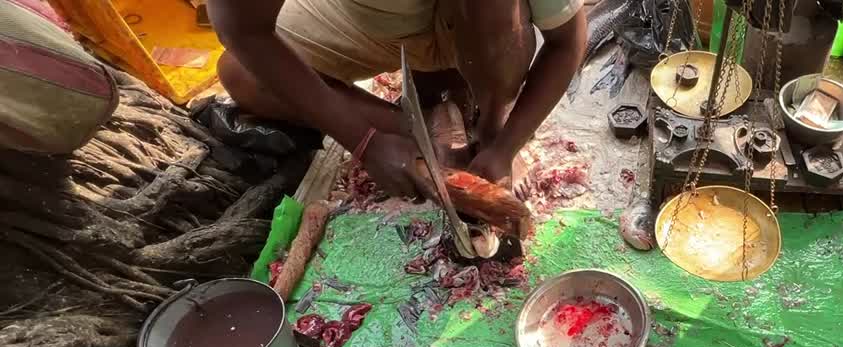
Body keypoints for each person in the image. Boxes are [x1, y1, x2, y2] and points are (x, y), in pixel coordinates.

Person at [208, 0, 587, 196]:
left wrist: (506, 144)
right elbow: (242, 30)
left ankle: (489, 123)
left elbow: (566, 42)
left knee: (490, 11)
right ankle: (419, 138)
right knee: (242, 74)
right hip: (368, 20)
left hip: (481, 22)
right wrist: (366, 142)